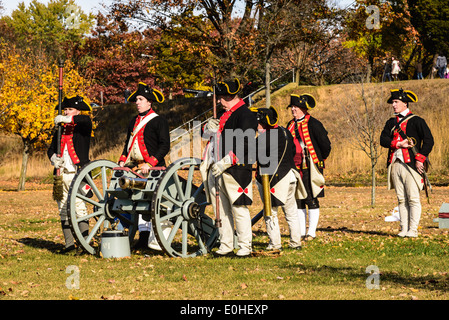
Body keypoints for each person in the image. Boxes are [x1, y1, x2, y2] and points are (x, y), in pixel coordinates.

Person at [200, 78, 258, 257]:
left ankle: (245, 246)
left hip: (236, 169)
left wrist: (226, 161)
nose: (219, 101)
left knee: (239, 208)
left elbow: (247, 142)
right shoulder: (226, 114)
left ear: (231, 97)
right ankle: (225, 245)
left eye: (222, 98)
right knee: (222, 210)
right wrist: (207, 128)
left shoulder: (245, 114)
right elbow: (212, 137)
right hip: (219, 168)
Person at [118, 82, 170, 249]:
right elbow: (128, 143)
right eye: (136, 100)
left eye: (140, 99)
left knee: (153, 204)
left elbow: (164, 145)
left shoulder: (158, 121)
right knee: (138, 203)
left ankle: (154, 239)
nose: (137, 102)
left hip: (154, 169)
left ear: (149, 102)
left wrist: (150, 163)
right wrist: (122, 160)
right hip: (136, 169)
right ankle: (143, 237)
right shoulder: (134, 120)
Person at [250, 105, 306, 251]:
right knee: (291, 212)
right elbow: (294, 150)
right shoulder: (285, 131)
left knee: (270, 213)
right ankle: (296, 243)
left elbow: (252, 155)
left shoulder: (265, 137)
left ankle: (274, 244)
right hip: (290, 175)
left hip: (274, 179)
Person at [380, 89, 434, 237]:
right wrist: (398, 144)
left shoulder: (417, 121)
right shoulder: (391, 122)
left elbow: (429, 141)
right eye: (392, 102)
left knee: (413, 198)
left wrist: (420, 159)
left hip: (411, 164)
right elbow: (383, 140)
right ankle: (404, 228)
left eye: (396, 102)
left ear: (405, 103)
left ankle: (413, 230)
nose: (393, 105)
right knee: (401, 199)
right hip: (395, 163)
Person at [47, 95, 92, 254]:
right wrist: (53, 158)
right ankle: (68, 245)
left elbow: (84, 120)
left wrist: (67, 119)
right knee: (63, 208)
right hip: (61, 174)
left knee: (79, 207)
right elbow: (51, 149)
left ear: (77, 111)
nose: (66, 112)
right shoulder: (59, 129)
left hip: (77, 174)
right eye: (65, 109)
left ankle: (84, 244)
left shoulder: (83, 126)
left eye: (70, 109)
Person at [286, 94, 331, 241]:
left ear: (304, 109)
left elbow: (325, 145)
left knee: (311, 197)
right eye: (292, 107)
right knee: (298, 199)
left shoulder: (314, 124)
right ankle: (300, 232)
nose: (293, 109)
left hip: (310, 166)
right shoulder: (290, 125)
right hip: (295, 167)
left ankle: (311, 232)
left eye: (296, 107)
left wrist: (318, 160)